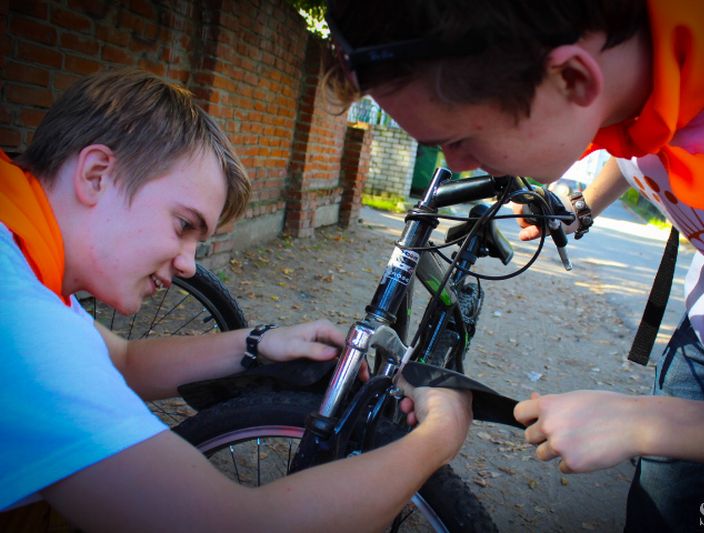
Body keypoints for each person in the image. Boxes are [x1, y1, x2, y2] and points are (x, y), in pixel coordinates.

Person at [324, 0, 704, 530]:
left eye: (458, 139)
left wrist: (646, 421)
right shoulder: (639, 55)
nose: (453, 163)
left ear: (573, 78)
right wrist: (577, 210)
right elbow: (637, 128)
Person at [0, 67, 472, 531]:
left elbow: (119, 361)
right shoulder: (20, 319)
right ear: (97, 174)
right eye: (184, 225)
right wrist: (437, 438)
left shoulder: (19, 247)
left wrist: (261, 342)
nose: (188, 264)